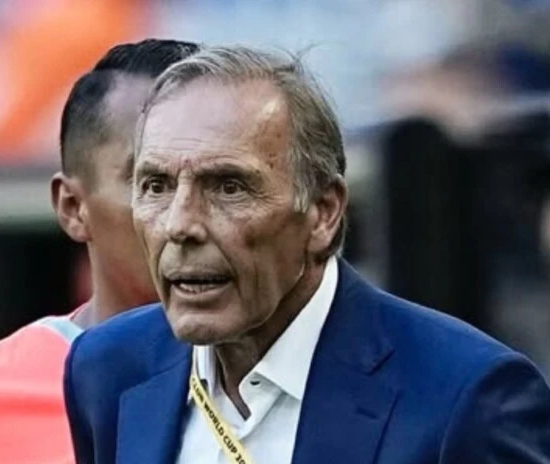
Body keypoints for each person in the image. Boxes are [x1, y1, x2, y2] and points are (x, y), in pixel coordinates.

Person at [64, 45, 550, 464]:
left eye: (228, 187)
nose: (179, 224)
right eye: (156, 186)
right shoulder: (107, 369)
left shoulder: (467, 397)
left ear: (323, 213)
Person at [0, 39, 199, 463]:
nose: (190, 215)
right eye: (153, 182)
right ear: (73, 207)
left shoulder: (300, 383)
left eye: (225, 182)